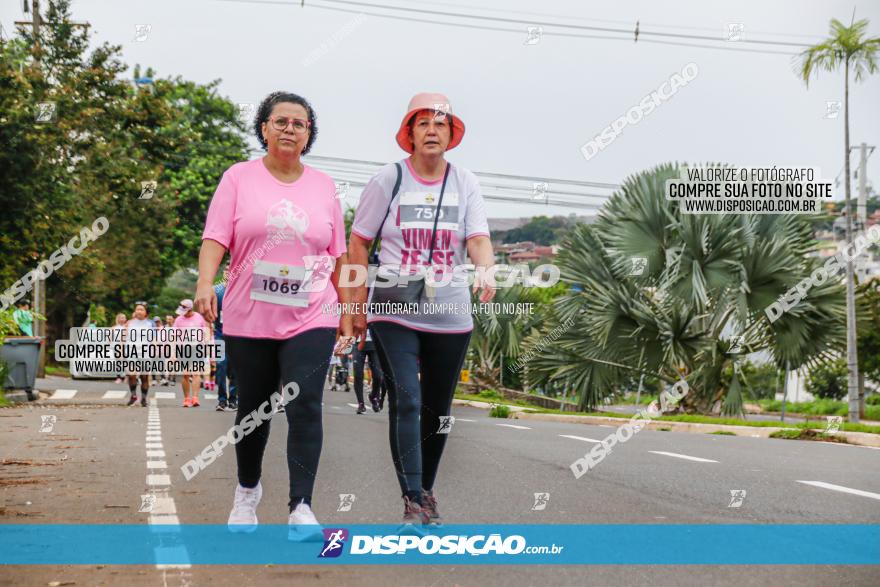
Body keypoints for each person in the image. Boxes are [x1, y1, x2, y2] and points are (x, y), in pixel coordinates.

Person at [194, 91, 350, 537]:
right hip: (250, 311)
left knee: (305, 404)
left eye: (298, 124)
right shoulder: (238, 178)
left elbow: (337, 254)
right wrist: (206, 282)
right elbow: (215, 237)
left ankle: (301, 506)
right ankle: (247, 493)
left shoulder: (323, 187)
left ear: (308, 135)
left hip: (312, 310)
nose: (288, 129)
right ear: (263, 128)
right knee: (254, 407)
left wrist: (348, 309)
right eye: (279, 121)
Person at [348, 93, 496, 526]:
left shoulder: (464, 181)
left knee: (438, 409)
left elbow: (478, 237)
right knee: (407, 402)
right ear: (409, 134)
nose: (432, 130)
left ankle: (425, 490)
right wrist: (356, 304)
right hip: (394, 307)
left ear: (451, 135)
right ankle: (412, 497)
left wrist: (485, 269)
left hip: (450, 313)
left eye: (441, 124)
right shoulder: (388, 179)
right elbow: (359, 241)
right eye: (423, 124)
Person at [173, 299, 209, 407]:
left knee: (196, 373)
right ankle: (186, 398)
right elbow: (173, 337)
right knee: (185, 374)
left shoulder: (199, 317)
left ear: (190, 309)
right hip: (183, 349)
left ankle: (195, 398)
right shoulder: (178, 320)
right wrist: (173, 353)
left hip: (197, 348)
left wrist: (206, 346)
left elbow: (206, 332)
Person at [126, 302, 155, 407]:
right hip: (132, 351)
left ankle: (143, 398)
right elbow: (124, 337)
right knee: (131, 375)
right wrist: (121, 350)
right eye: (137, 309)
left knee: (144, 377)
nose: (139, 311)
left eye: (141, 309)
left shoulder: (150, 324)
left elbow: (153, 339)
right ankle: (133, 395)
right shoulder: (129, 323)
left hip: (145, 353)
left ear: (146, 312)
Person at [352, 328, 386, 414]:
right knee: (358, 374)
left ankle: (373, 396)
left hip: (374, 344)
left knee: (378, 376)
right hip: (358, 343)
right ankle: (361, 404)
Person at [111, 313, 127, 384]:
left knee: (126, 362)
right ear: (118, 319)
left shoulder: (127, 327)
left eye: (124, 318)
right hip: (116, 346)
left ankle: (126, 377)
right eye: (122, 318)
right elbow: (110, 338)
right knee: (118, 362)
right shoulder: (114, 328)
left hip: (126, 347)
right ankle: (119, 377)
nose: (123, 319)